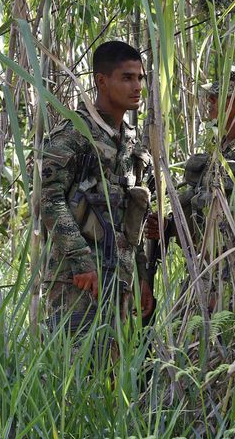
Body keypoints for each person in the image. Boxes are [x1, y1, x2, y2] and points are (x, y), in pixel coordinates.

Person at [41, 40, 155, 338]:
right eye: (127, 78)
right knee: (75, 373)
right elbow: (50, 200)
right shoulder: (73, 135)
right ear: (101, 81)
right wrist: (81, 261)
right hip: (77, 281)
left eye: (140, 78)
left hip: (121, 281)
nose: (137, 86)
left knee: (115, 377)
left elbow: (136, 219)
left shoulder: (132, 144)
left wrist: (142, 277)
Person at [146, 64, 235, 310]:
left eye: (219, 96)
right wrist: (171, 227)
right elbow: (206, 218)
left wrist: (226, 293)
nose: (211, 102)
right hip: (201, 282)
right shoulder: (223, 154)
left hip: (230, 296)